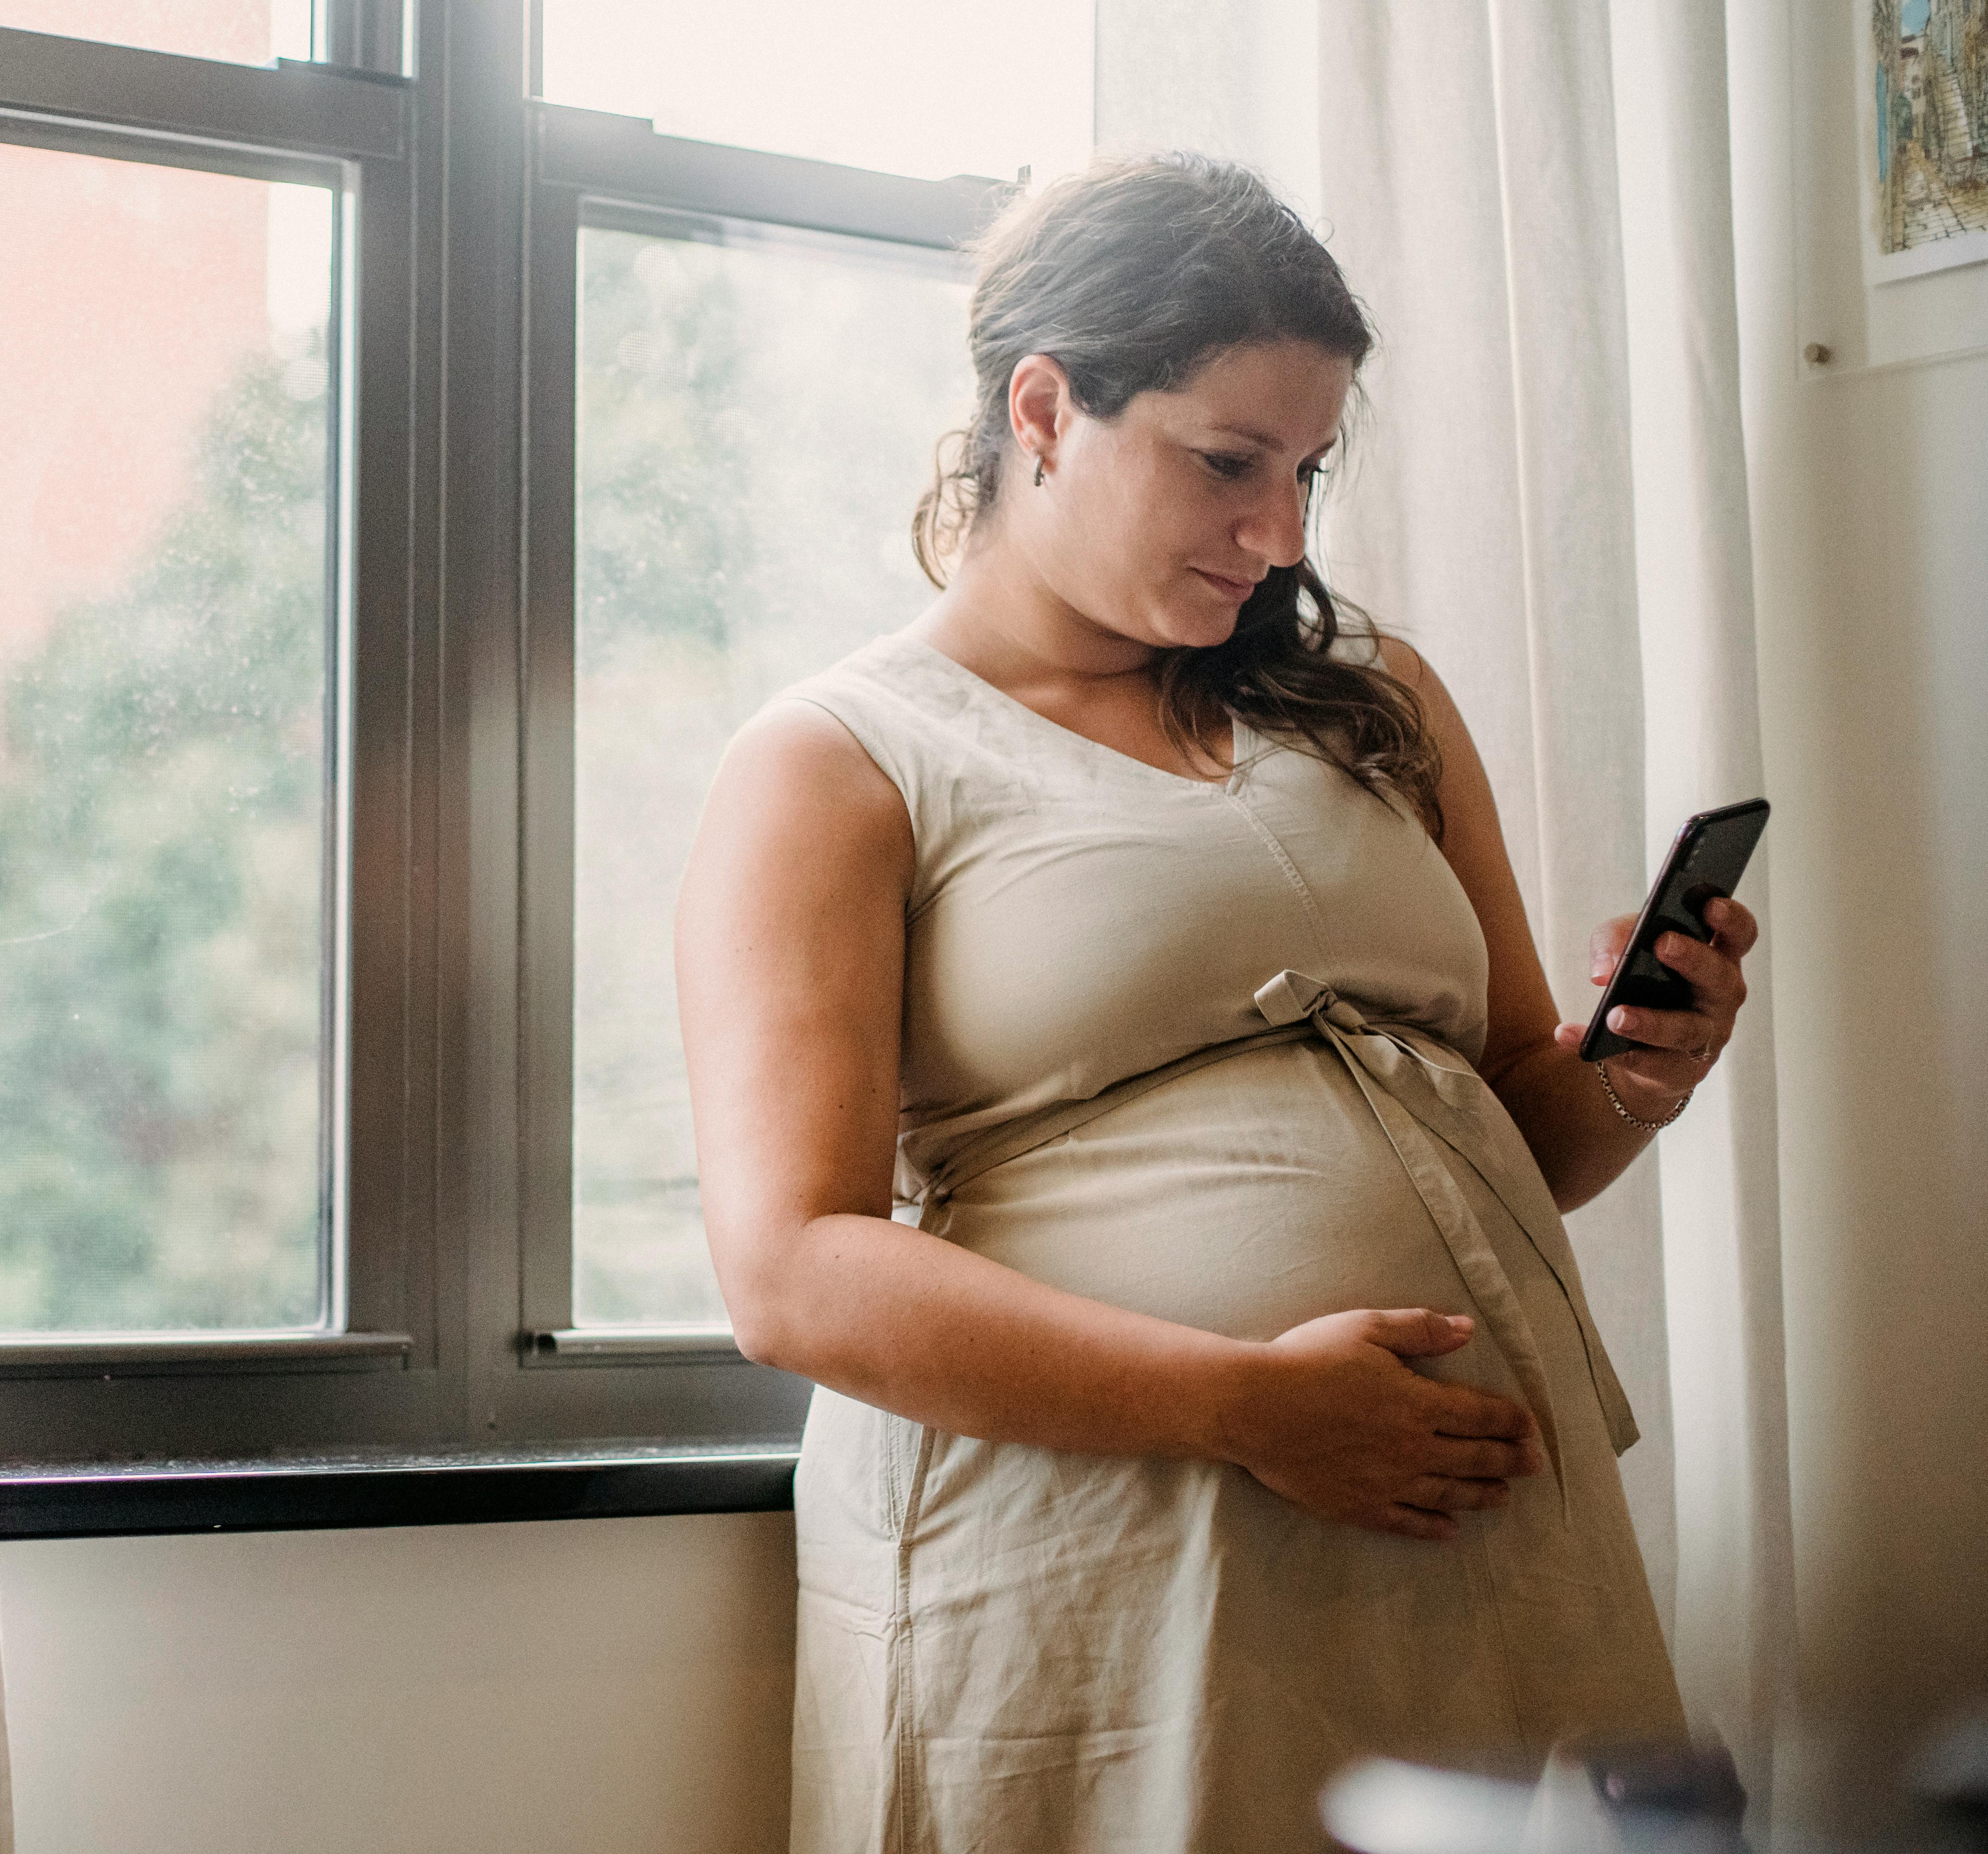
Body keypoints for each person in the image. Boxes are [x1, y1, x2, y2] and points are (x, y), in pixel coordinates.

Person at [673, 155, 1758, 1852]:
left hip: (1467, 1522)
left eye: (1309, 470)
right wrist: (1246, 1404)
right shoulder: (838, 762)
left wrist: (1639, 1074)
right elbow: (791, 1273)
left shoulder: (1374, 698)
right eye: (1226, 463)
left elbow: (1517, 1134)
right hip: (1105, 1536)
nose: (1281, 535)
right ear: (1043, 408)